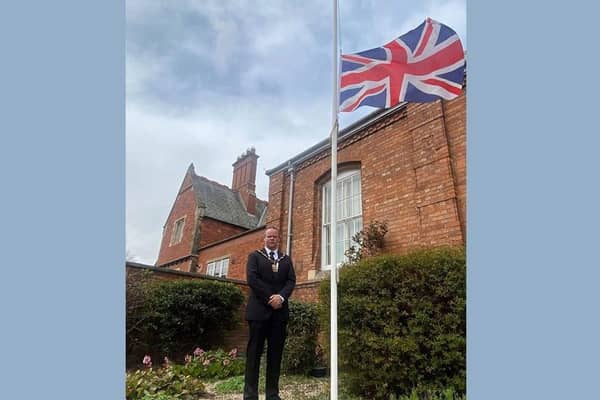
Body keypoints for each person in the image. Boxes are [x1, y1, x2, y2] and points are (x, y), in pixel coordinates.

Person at [243, 227, 296, 400]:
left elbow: (291, 281)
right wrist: (270, 298)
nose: (272, 239)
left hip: (279, 315)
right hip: (258, 313)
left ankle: (272, 395)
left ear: (278, 239)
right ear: (264, 239)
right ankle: (250, 395)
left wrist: (281, 297)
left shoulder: (286, 260)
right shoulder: (255, 257)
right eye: (269, 236)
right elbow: (252, 279)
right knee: (254, 355)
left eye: (274, 236)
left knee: (275, 356)